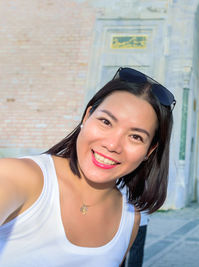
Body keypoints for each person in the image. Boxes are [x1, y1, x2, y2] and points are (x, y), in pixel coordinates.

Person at [0, 67, 175, 266]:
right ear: (87, 116)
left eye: (135, 137)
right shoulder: (20, 177)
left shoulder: (129, 220)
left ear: (149, 151)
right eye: (106, 122)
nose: (112, 145)